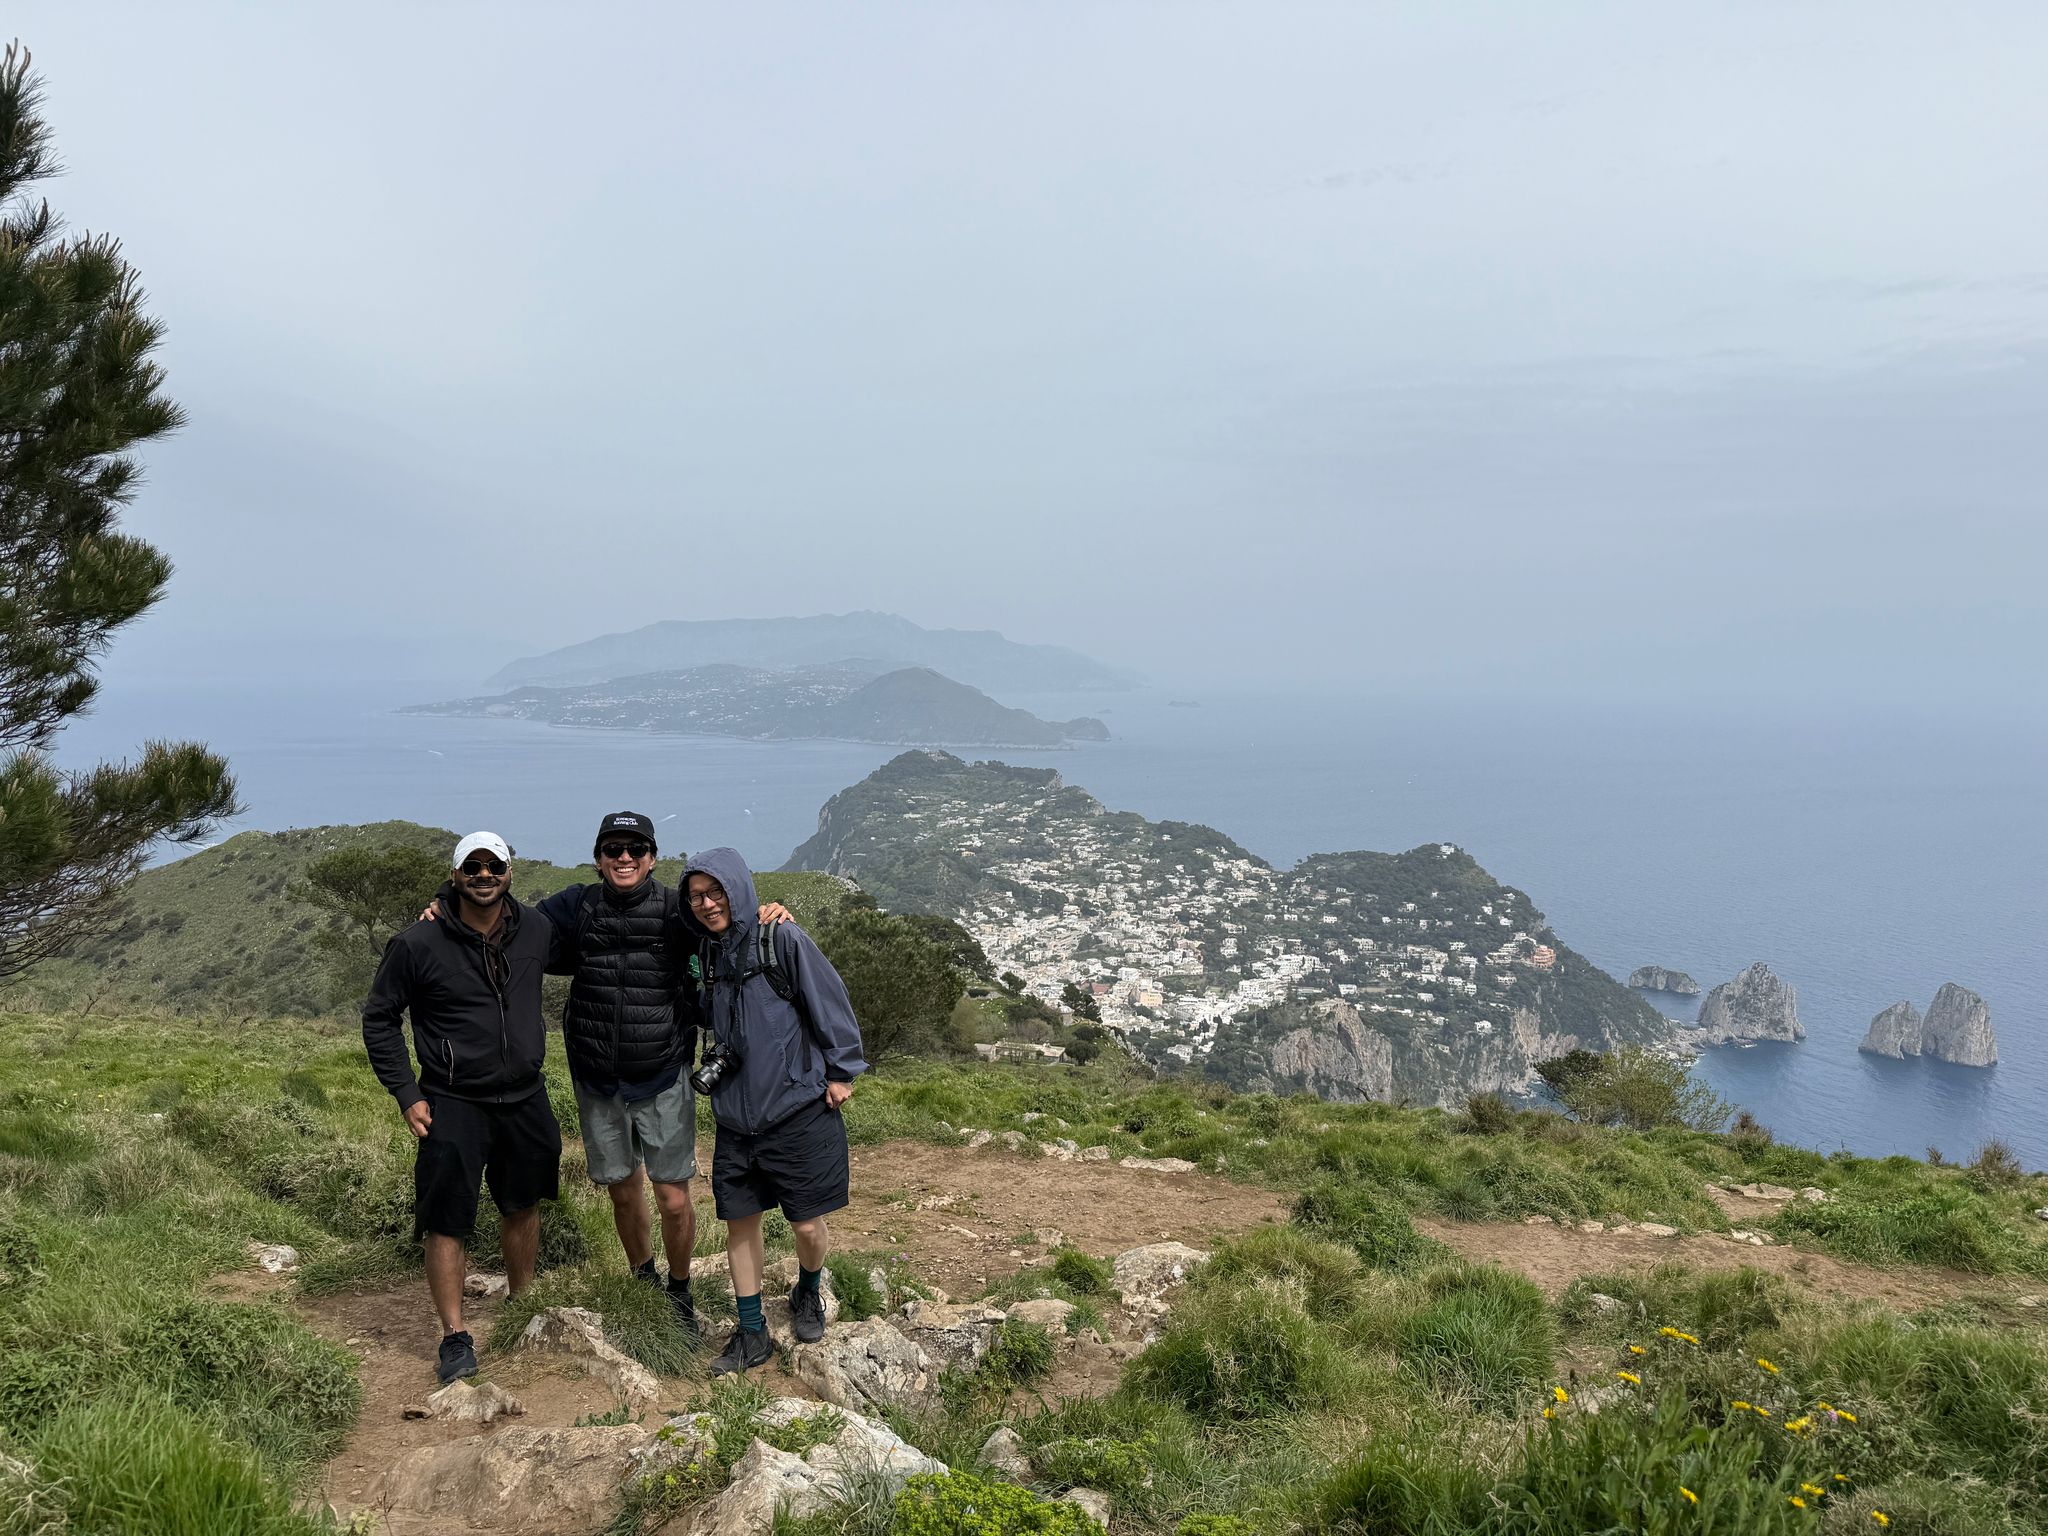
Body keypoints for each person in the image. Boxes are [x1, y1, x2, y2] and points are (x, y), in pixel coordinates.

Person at [362, 831, 564, 1384]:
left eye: (492, 865)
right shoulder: (417, 944)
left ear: (509, 872)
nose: (483, 874)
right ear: (455, 876)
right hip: (452, 1100)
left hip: (524, 1094)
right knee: (447, 1219)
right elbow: (380, 1018)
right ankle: (455, 1336)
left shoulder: (536, 930)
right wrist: (407, 1092)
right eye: (471, 867)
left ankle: (522, 1307)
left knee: (522, 1205)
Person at [678, 847, 867, 1375]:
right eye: (696, 896)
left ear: (738, 888)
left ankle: (809, 1290)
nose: (708, 903)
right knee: (741, 1224)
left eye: (716, 891)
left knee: (807, 1227)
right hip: (736, 1119)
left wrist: (841, 1071)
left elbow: (829, 999)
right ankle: (752, 1331)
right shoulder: (707, 955)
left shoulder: (780, 937)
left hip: (793, 1110)